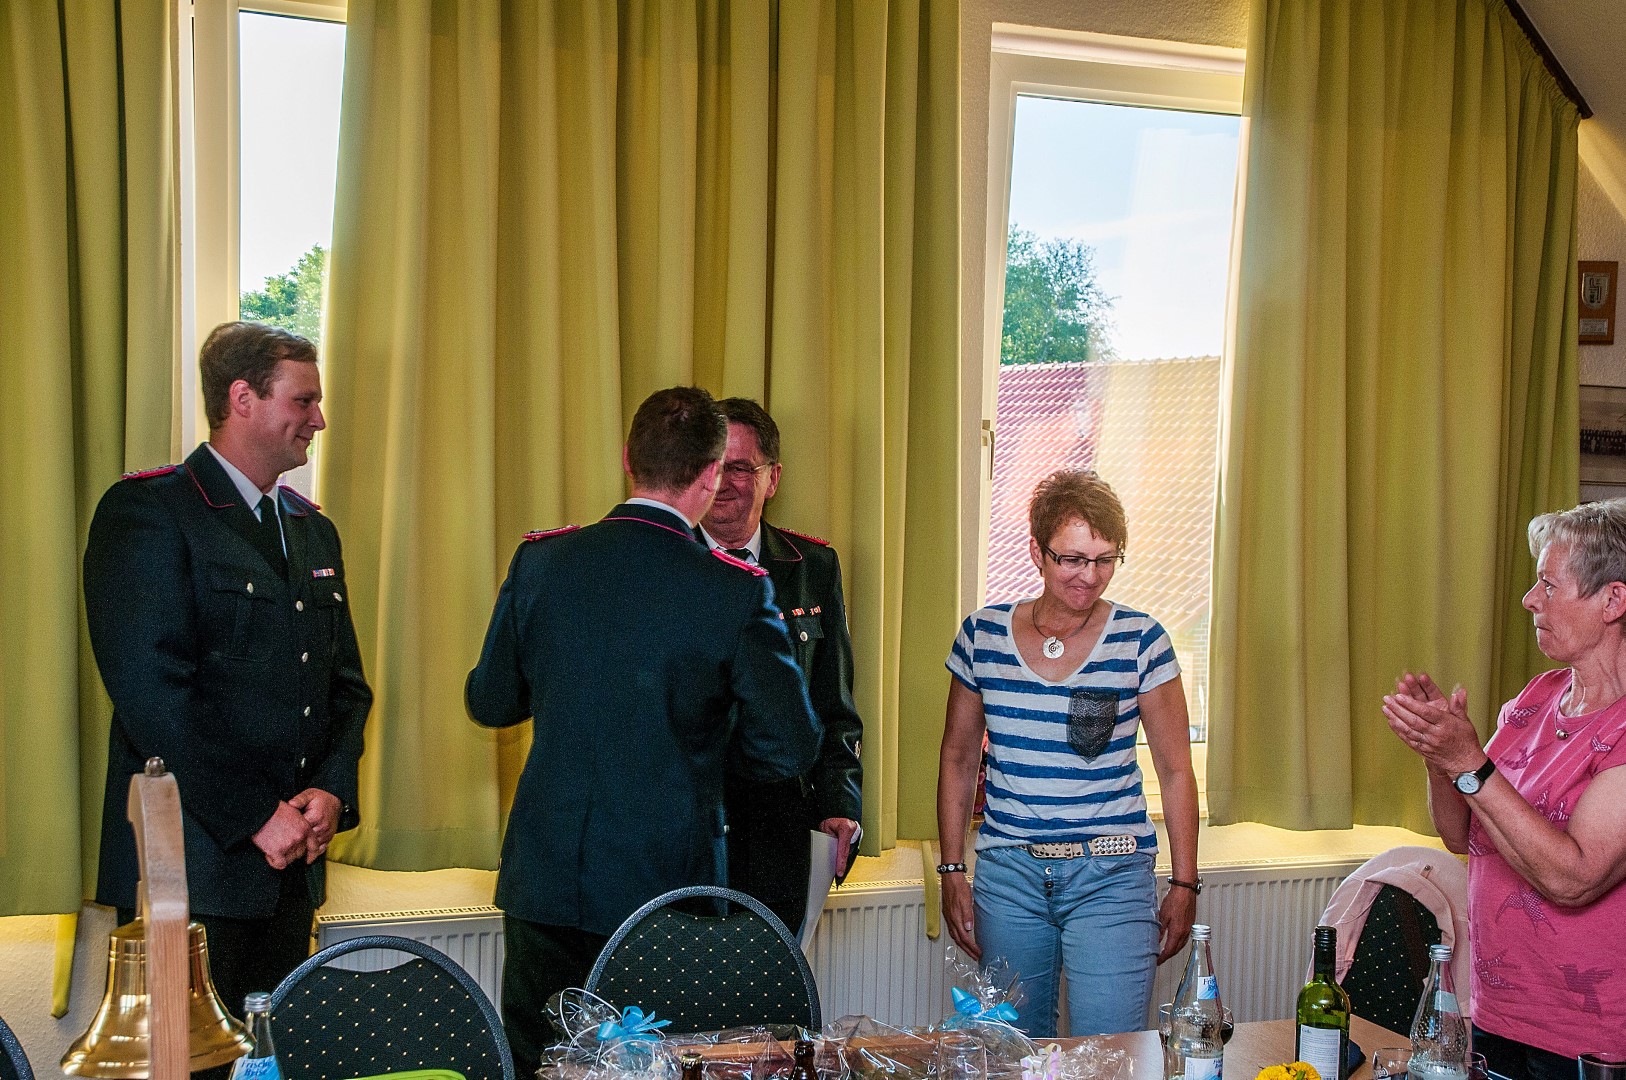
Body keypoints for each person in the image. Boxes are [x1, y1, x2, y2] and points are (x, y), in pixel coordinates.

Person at [466, 385, 823, 1076]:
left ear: (628, 458)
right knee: (658, 1067)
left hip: (549, 879)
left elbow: (491, 700)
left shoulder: (542, 561)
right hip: (665, 891)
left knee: (545, 1066)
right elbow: (791, 743)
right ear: (711, 473)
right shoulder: (735, 587)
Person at [83, 322, 372, 1037]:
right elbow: (154, 694)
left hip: (289, 869)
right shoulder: (151, 512)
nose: (319, 420)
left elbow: (345, 686)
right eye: (303, 402)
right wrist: (255, 816)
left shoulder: (312, 528)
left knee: (267, 1060)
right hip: (193, 868)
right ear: (242, 398)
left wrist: (330, 791)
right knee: (189, 1065)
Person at [936, 468, 1200, 1038]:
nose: (1089, 576)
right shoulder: (982, 636)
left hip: (1112, 874)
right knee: (1012, 1050)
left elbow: (1175, 770)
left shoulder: (1141, 639)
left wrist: (1184, 882)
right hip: (1009, 875)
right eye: (1072, 559)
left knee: (1112, 1052)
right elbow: (958, 758)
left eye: (1104, 560)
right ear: (1036, 551)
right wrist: (953, 869)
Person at [1383, 500, 1626, 1079]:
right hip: (1499, 1014)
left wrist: (1471, 762)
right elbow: (1461, 833)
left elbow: (1575, 877)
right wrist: (1440, 756)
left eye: (1547, 584)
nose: (1528, 599)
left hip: (1589, 1040)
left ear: (1612, 600)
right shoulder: (1537, 697)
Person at [698, 397, 864, 937]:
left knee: (771, 1007)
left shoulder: (811, 567)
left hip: (779, 825)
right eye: (716, 465)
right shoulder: (666, 561)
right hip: (686, 831)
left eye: (742, 468)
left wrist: (841, 805)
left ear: (772, 479)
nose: (725, 482)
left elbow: (834, 705)